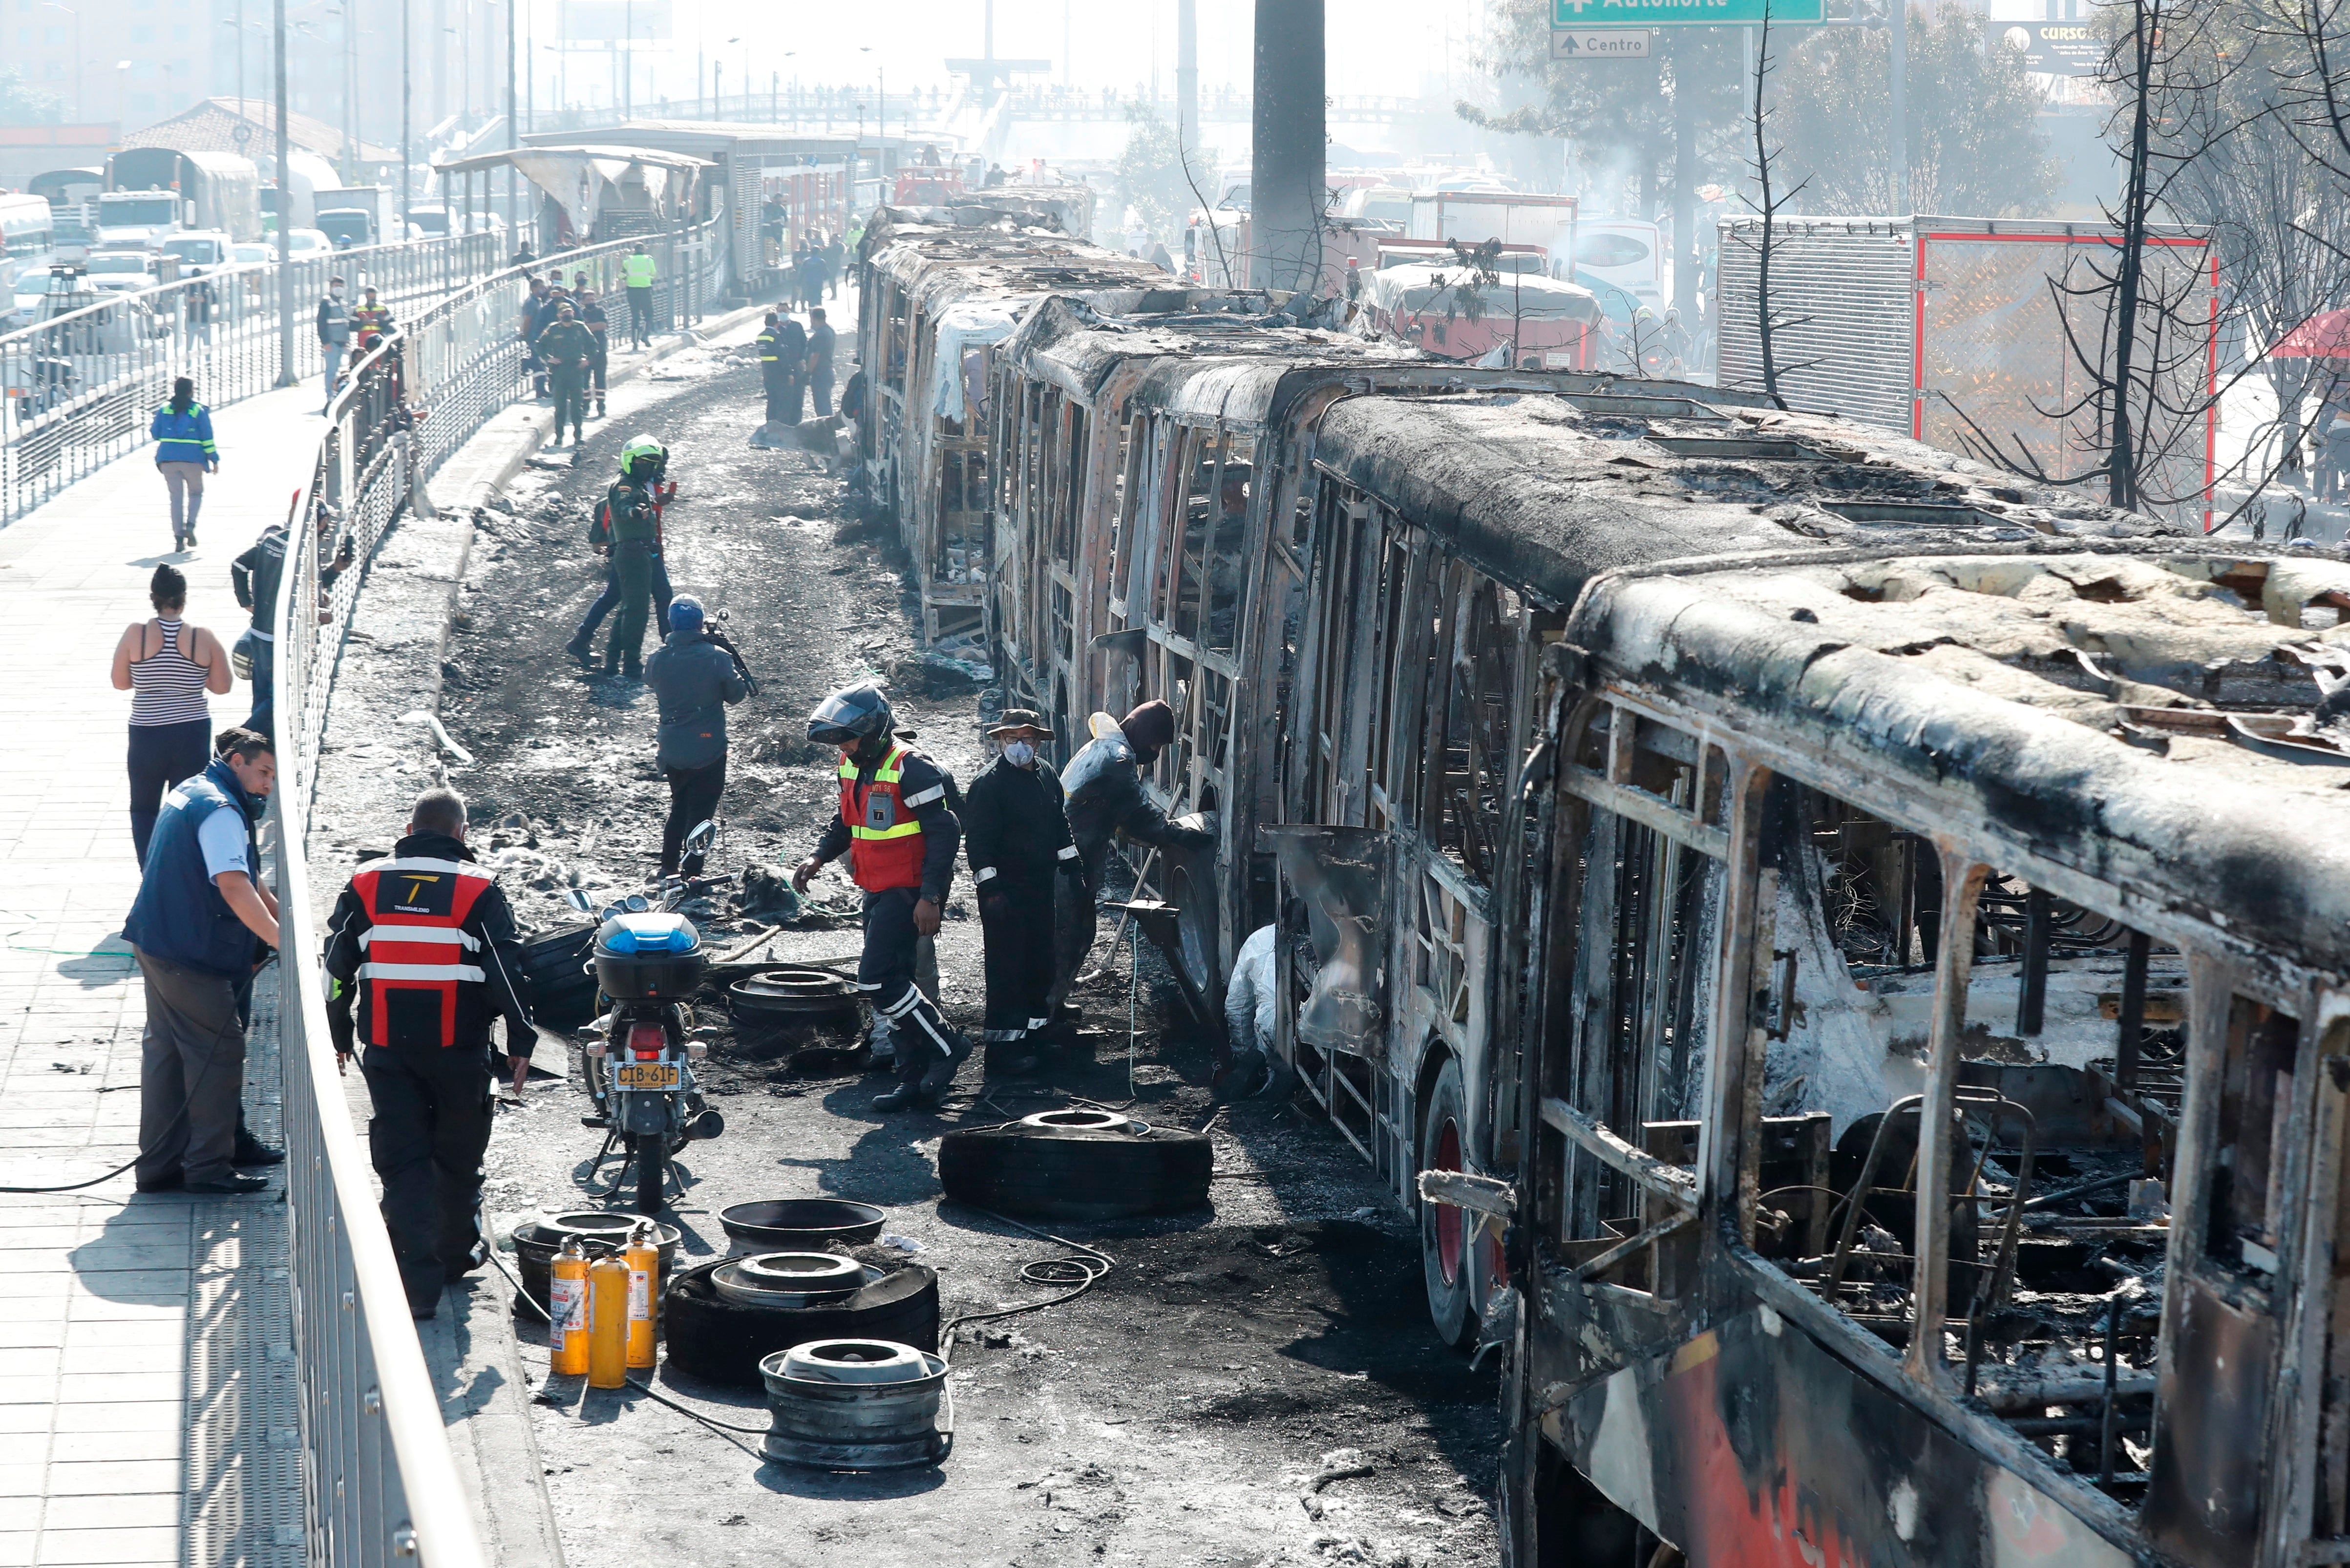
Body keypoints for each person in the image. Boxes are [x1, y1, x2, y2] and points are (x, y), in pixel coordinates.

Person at [322, 786, 536, 1318]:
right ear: (461, 833)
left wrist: (337, 1033)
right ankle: (453, 1259)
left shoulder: (366, 883)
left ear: (410, 828)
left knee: (404, 1163)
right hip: (459, 1053)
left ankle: (413, 1283)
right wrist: (521, 1042)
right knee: (459, 1159)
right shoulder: (479, 888)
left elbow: (333, 972)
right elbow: (507, 973)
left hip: (389, 1051)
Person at [790, 684, 970, 1111]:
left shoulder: (913, 768)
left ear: (873, 732)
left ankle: (948, 1045)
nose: (846, 747)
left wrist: (931, 897)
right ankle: (914, 1079)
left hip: (906, 891)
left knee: (875, 980)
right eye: (841, 740)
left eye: (850, 738)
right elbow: (845, 821)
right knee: (900, 981)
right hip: (875, 888)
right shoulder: (852, 765)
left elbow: (945, 835)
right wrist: (818, 857)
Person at [125, 727, 282, 1195]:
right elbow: (234, 885)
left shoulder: (195, 791)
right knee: (220, 1049)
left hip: (156, 940)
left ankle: (158, 1166)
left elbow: (252, 881)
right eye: (263, 772)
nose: (268, 786)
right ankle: (209, 1166)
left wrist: (285, 926)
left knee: (167, 1054)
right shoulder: (221, 810)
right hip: (187, 952)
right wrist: (281, 942)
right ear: (236, 762)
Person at [1055, 699, 1215, 1003]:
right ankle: (1046, 1017)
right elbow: (1139, 815)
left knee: (1075, 933)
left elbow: (1116, 814)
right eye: (1156, 743)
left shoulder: (1100, 747)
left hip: (1071, 856)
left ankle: (1054, 1005)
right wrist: (1180, 835)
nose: (1155, 752)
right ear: (1143, 734)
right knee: (1068, 935)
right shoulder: (1118, 759)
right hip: (1069, 862)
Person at [961, 710, 1082, 1076]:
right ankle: (1002, 1053)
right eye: (1011, 739)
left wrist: (1072, 863)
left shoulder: (1046, 775)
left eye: (1026, 739)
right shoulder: (989, 784)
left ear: (1038, 742)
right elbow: (978, 842)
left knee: (1039, 963)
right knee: (1007, 969)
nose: (1019, 746)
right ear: (999, 741)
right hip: (1005, 893)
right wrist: (991, 889)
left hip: (1040, 888)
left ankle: (1033, 1037)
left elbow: (1058, 821)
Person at [112, 565, 232, 863]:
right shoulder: (201, 637)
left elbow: (120, 682)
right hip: (191, 732)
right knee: (188, 805)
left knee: (144, 808)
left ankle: (150, 873)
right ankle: (184, 871)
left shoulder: (136, 634)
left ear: (153, 597)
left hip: (147, 733)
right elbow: (222, 686)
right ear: (183, 598)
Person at [644, 596, 749, 875]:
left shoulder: (658, 659)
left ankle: (667, 867)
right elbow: (737, 696)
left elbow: (649, 680)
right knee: (702, 813)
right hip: (708, 746)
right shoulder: (717, 657)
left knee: (679, 805)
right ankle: (692, 870)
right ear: (701, 623)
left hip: (672, 747)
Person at [566, 437, 675, 665]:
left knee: (617, 596)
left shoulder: (646, 483)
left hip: (644, 549)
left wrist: (657, 502)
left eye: (658, 464)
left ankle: (584, 642)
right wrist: (604, 540)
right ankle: (660, 651)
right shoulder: (628, 482)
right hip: (630, 550)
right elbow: (617, 509)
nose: (656, 468)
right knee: (645, 600)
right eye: (651, 464)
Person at [597, 442, 663, 678]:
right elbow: (625, 506)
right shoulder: (625, 485)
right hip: (632, 552)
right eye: (641, 462)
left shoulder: (635, 484)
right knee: (637, 611)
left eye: (650, 464)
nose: (646, 467)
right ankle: (631, 663)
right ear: (630, 460)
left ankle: (613, 661)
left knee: (629, 609)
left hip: (637, 552)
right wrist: (636, 511)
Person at [150, 377, 217, 551]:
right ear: (191, 391)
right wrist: (214, 459)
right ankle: (191, 525)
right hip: (193, 460)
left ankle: (179, 539)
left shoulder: (164, 409)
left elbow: (155, 434)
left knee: (176, 498)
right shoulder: (198, 411)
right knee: (196, 493)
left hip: (168, 460)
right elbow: (207, 437)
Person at [536, 303, 598, 448]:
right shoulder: (553, 328)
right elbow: (540, 345)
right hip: (559, 371)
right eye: (565, 313)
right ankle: (559, 437)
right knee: (560, 406)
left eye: (570, 312)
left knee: (577, 405)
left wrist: (588, 360)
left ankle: (578, 436)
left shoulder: (580, 327)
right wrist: (548, 358)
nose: (567, 315)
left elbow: (593, 344)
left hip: (576, 370)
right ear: (559, 315)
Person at [573, 281, 610, 418]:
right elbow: (578, 328)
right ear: (583, 301)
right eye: (588, 300)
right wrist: (591, 327)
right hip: (585, 353)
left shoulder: (600, 311)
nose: (591, 302)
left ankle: (601, 407)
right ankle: (586, 406)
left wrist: (586, 327)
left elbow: (603, 325)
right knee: (584, 381)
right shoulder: (580, 313)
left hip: (600, 351)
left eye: (593, 299)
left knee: (600, 380)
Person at [317, 275, 353, 412]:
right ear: (331, 287)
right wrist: (325, 342)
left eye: (341, 286)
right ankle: (330, 397)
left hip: (341, 342)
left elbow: (344, 323)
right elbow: (321, 323)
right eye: (336, 286)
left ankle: (339, 392)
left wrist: (345, 342)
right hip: (331, 343)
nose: (339, 289)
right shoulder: (326, 303)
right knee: (331, 371)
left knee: (347, 365)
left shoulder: (342, 303)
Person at [771, 311, 808, 425]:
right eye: (780, 311)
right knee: (785, 399)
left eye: (785, 310)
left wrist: (802, 360)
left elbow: (804, 344)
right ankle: (784, 425)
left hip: (798, 367)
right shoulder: (775, 331)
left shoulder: (797, 326)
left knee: (798, 397)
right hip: (783, 370)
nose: (783, 313)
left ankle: (796, 424)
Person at [623, 241, 657, 347]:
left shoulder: (628, 260)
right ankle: (645, 335)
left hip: (632, 290)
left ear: (634, 250)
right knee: (649, 315)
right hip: (645, 290)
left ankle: (635, 341)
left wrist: (627, 278)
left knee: (635, 316)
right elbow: (653, 273)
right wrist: (647, 279)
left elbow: (621, 275)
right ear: (644, 249)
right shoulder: (649, 259)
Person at [806, 307, 837, 419]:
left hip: (820, 374)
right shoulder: (829, 330)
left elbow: (815, 355)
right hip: (827, 372)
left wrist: (808, 372)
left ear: (813, 318)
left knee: (823, 408)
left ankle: (828, 434)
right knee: (824, 405)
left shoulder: (821, 335)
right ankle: (828, 433)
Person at [350, 285, 394, 351]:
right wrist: (363, 323)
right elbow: (352, 327)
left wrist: (379, 323)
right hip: (364, 343)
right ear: (366, 296)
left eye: (373, 297)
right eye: (370, 297)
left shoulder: (382, 308)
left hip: (379, 341)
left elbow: (392, 323)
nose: (372, 299)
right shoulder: (359, 309)